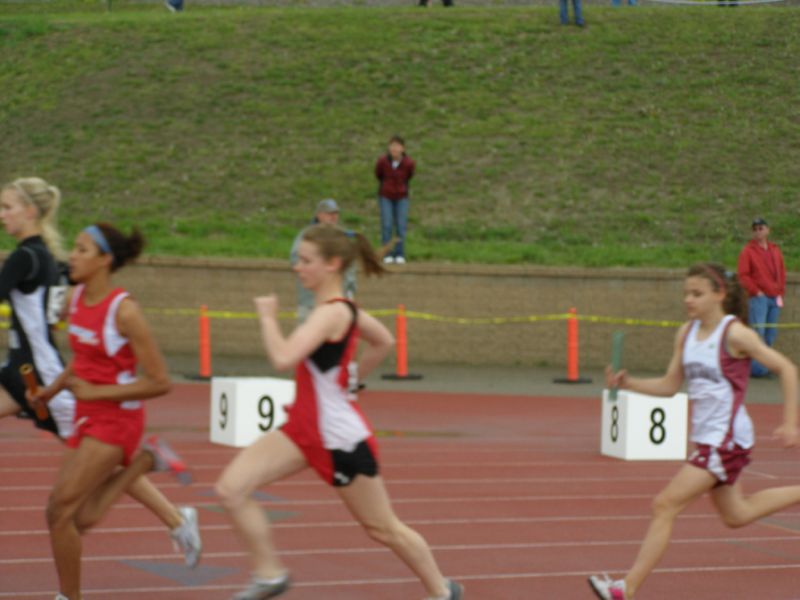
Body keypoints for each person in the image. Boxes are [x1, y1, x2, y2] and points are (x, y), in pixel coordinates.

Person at [216, 224, 463, 600]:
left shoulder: (331, 314)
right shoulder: (344, 310)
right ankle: (269, 575)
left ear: (332, 265)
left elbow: (283, 358)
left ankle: (441, 592)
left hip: (338, 439)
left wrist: (267, 318)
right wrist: (352, 380)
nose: (297, 268)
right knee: (231, 490)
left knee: (382, 528)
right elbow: (383, 341)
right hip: (301, 430)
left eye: (305, 261)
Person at [0, 180, 201, 577]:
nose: (1, 214)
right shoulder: (51, 261)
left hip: (41, 377)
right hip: (23, 372)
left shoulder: (27, 258)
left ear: (30, 212)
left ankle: (173, 512)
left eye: (6, 207)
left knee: (90, 484)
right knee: (97, 470)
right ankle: (174, 513)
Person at [588, 263, 800, 600]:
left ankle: (624, 588)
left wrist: (790, 422)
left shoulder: (735, 334)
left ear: (720, 294)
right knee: (736, 514)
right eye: (686, 293)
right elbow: (670, 386)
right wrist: (630, 383)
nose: (689, 299)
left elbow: (787, 368)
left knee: (664, 505)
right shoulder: (685, 334)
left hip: (725, 440)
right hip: (708, 438)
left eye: (697, 294)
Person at [289, 199, 356, 323]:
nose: (333, 217)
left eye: (336, 214)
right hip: (310, 302)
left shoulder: (342, 236)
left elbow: (350, 265)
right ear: (319, 215)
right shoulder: (307, 236)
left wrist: (350, 292)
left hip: (338, 302)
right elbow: (295, 259)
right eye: (329, 214)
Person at [737, 217, 786, 378]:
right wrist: (756, 292)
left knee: (770, 333)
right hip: (759, 298)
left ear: (767, 230)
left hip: (775, 297)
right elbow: (743, 275)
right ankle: (757, 370)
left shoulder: (775, 249)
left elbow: (781, 271)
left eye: (761, 228)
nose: (758, 231)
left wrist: (780, 291)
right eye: (755, 229)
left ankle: (763, 366)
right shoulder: (748, 251)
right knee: (758, 333)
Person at [375, 135, 415, 264]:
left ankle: (399, 253)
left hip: (402, 197)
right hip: (386, 195)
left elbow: (409, 176)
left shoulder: (409, 163)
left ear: (403, 148)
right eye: (392, 146)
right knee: (386, 225)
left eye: (397, 146)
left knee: (401, 225)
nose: (394, 149)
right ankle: (387, 253)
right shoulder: (382, 161)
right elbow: (378, 174)